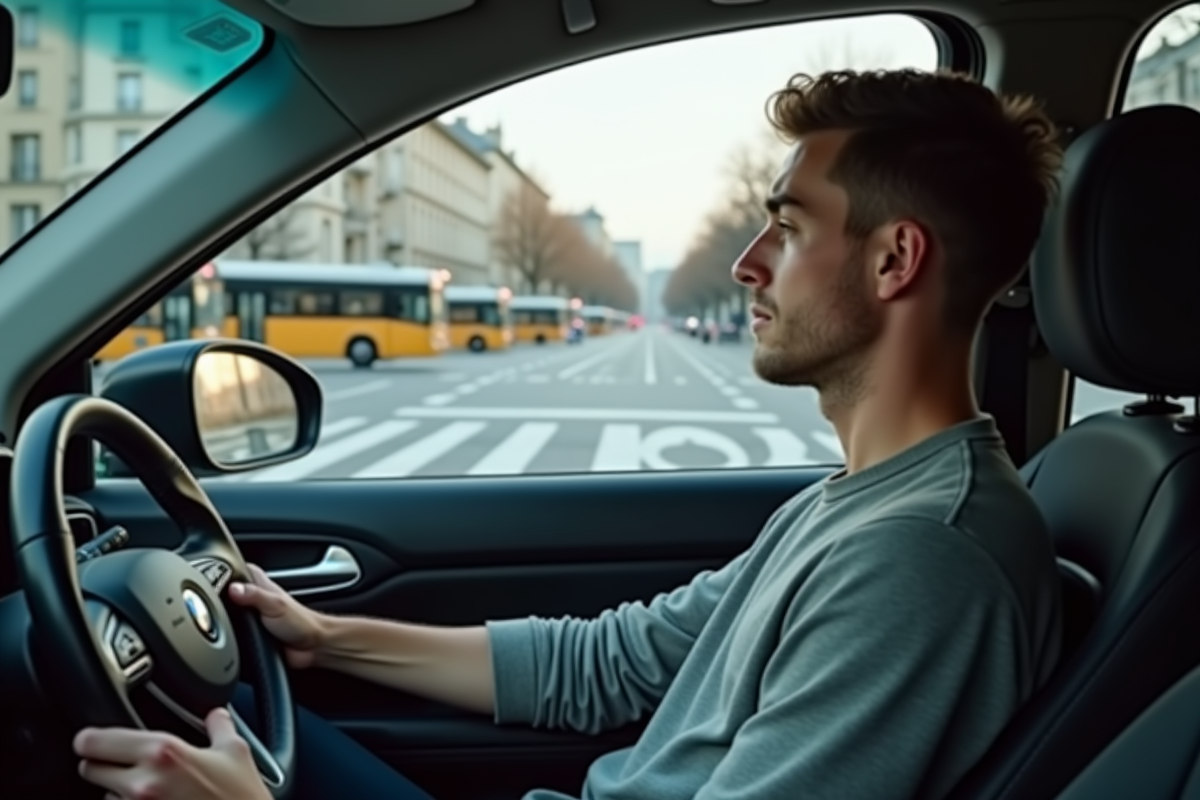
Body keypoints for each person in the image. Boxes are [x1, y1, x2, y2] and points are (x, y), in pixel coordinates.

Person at [73, 68, 1064, 800]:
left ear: (896, 259)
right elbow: (616, 661)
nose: (749, 264)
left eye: (791, 227)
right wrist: (330, 636)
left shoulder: (921, 554)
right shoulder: (855, 499)